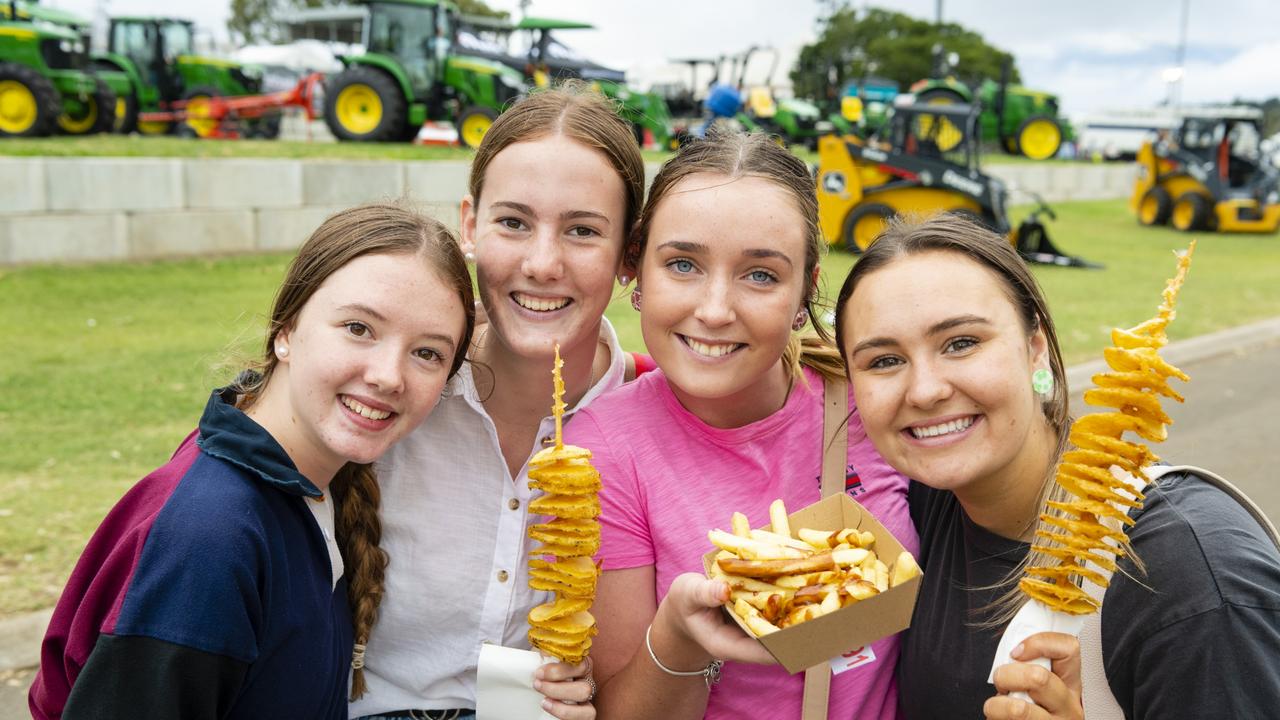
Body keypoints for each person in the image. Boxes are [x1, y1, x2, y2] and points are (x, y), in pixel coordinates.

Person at [30, 202, 477, 719]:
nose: (388, 375)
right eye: (359, 327)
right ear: (286, 331)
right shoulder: (211, 538)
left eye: (428, 353)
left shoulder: (311, 486)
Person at [832, 213, 1280, 719]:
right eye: (884, 361)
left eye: (962, 343)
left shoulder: (1192, 578)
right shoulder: (920, 508)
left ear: (1035, 351)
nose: (926, 390)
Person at [564, 131, 916, 720]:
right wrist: (679, 638)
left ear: (804, 291)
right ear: (637, 273)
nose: (715, 309)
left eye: (760, 275)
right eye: (682, 265)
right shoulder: (597, 453)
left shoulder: (870, 402)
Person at [348, 84, 645, 720]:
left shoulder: (651, 426)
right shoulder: (382, 398)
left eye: (583, 231)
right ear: (470, 225)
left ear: (628, 256)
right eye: (513, 222)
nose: (542, 263)